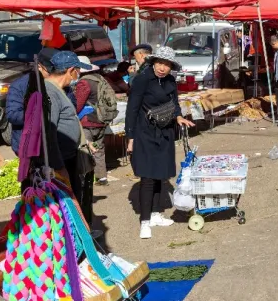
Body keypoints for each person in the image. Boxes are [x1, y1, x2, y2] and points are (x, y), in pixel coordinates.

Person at [125, 46, 195, 239]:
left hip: (165, 132)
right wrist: (130, 138)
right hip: (144, 133)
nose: (163, 68)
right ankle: (145, 221)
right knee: (147, 177)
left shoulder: (171, 80)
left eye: (167, 64)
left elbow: (175, 103)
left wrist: (179, 117)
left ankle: (156, 214)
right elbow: (132, 109)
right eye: (160, 63)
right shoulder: (142, 79)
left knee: (160, 175)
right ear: (153, 61)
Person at [45, 52, 95, 216]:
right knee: (65, 208)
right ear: (71, 70)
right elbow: (48, 132)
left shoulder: (60, 90)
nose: (78, 75)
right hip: (61, 161)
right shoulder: (50, 93)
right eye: (78, 71)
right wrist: (59, 166)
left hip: (68, 157)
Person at [73, 56, 117, 189]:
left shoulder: (84, 83)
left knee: (85, 149)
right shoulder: (99, 78)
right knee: (99, 148)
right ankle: (101, 177)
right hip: (102, 119)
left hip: (88, 120)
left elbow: (78, 104)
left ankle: (85, 176)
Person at [6, 47, 58, 156]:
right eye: (51, 71)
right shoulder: (20, 86)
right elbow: (12, 114)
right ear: (39, 67)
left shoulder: (58, 82)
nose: (55, 75)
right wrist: (37, 114)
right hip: (28, 145)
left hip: (55, 144)